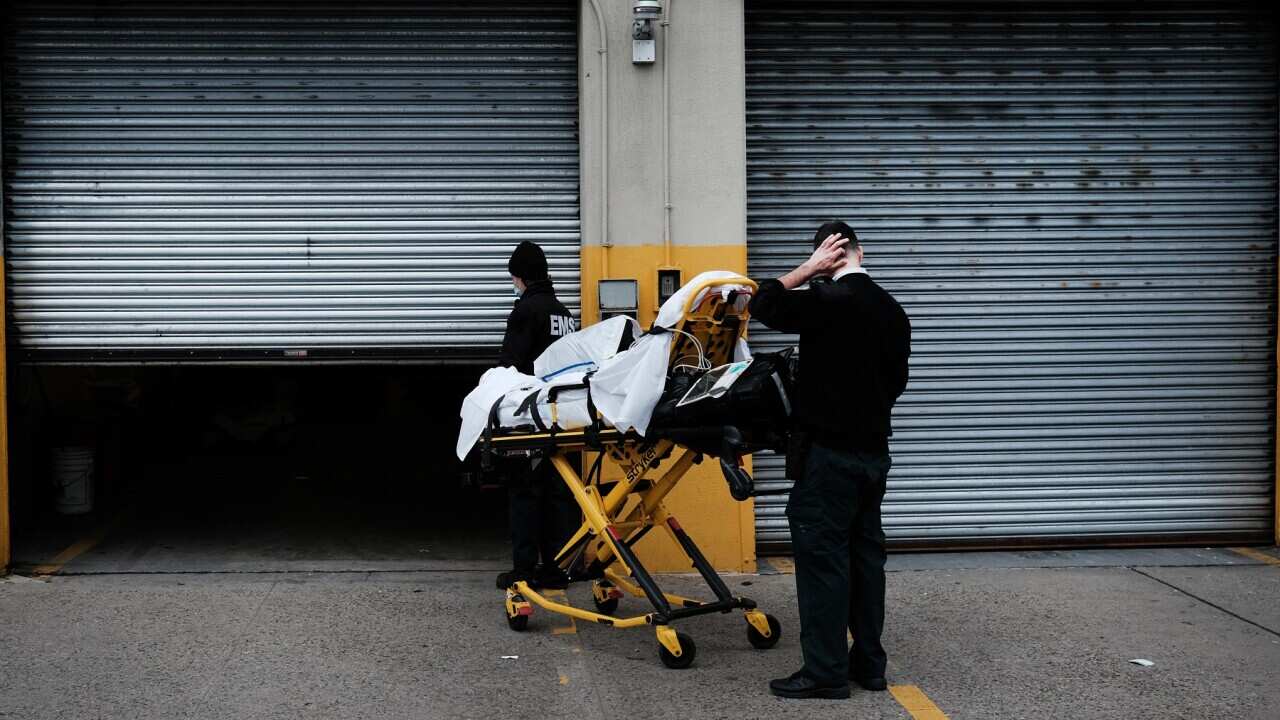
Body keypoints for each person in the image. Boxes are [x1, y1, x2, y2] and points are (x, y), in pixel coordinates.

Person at [749, 221, 911, 700]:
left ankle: (824, 673)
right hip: (873, 455)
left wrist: (808, 269)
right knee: (865, 561)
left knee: (823, 563)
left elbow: (765, 302)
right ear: (863, 251)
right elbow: (897, 382)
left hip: (828, 459)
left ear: (828, 256)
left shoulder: (826, 302)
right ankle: (870, 665)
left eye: (822, 259)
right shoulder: (892, 309)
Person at [494, 241, 582, 591]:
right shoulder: (563, 312)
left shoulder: (526, 311)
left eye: (514, 276)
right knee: (559, 492)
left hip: (530, 415)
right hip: (563, 414)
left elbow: (510, 364)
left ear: (522, 276)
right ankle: (556, 567)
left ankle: (524, 569)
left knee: (525, 491)